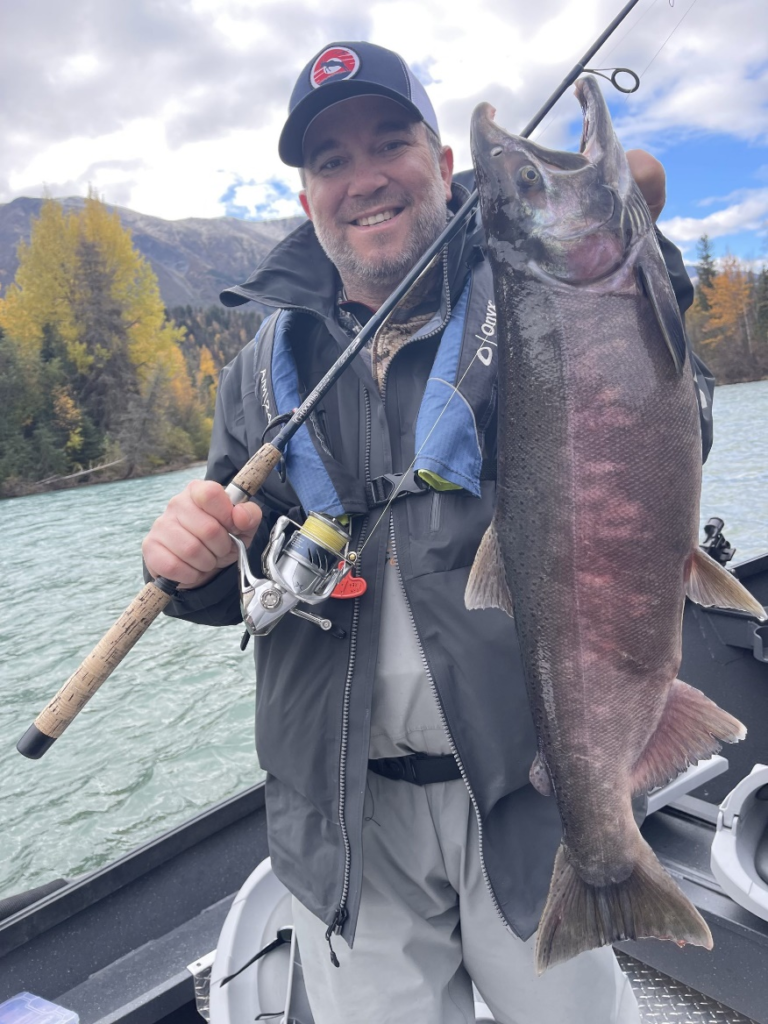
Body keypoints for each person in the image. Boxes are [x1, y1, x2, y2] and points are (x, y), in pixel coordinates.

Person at [142, 42, 713, 1024]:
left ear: (442, 163)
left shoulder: (539, 295)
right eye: (329, 161)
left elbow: (666, 427)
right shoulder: (259, 373)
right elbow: (241, 576)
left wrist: (637, 251)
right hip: (349, 824)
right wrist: (187, 567)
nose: (362, 177)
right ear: (308, 195)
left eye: (389, 141)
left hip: (530, 797)